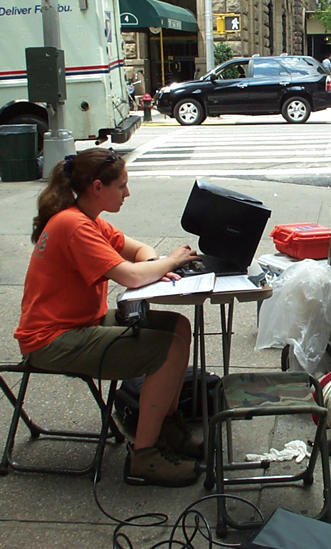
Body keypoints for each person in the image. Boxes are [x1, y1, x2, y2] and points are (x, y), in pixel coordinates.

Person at [14, 148, 203, 487]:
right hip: (52, 341)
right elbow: (130, 276)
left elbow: (139, 253)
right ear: (97, 187)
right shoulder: (73, 225)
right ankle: (144, 456)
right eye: (122, 186)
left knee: (179, 326)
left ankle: (166, 425)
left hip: (82, 323)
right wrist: (169, 263)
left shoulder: (89, 219)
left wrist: (152, 266)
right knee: (166, 348)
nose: (127, 193)